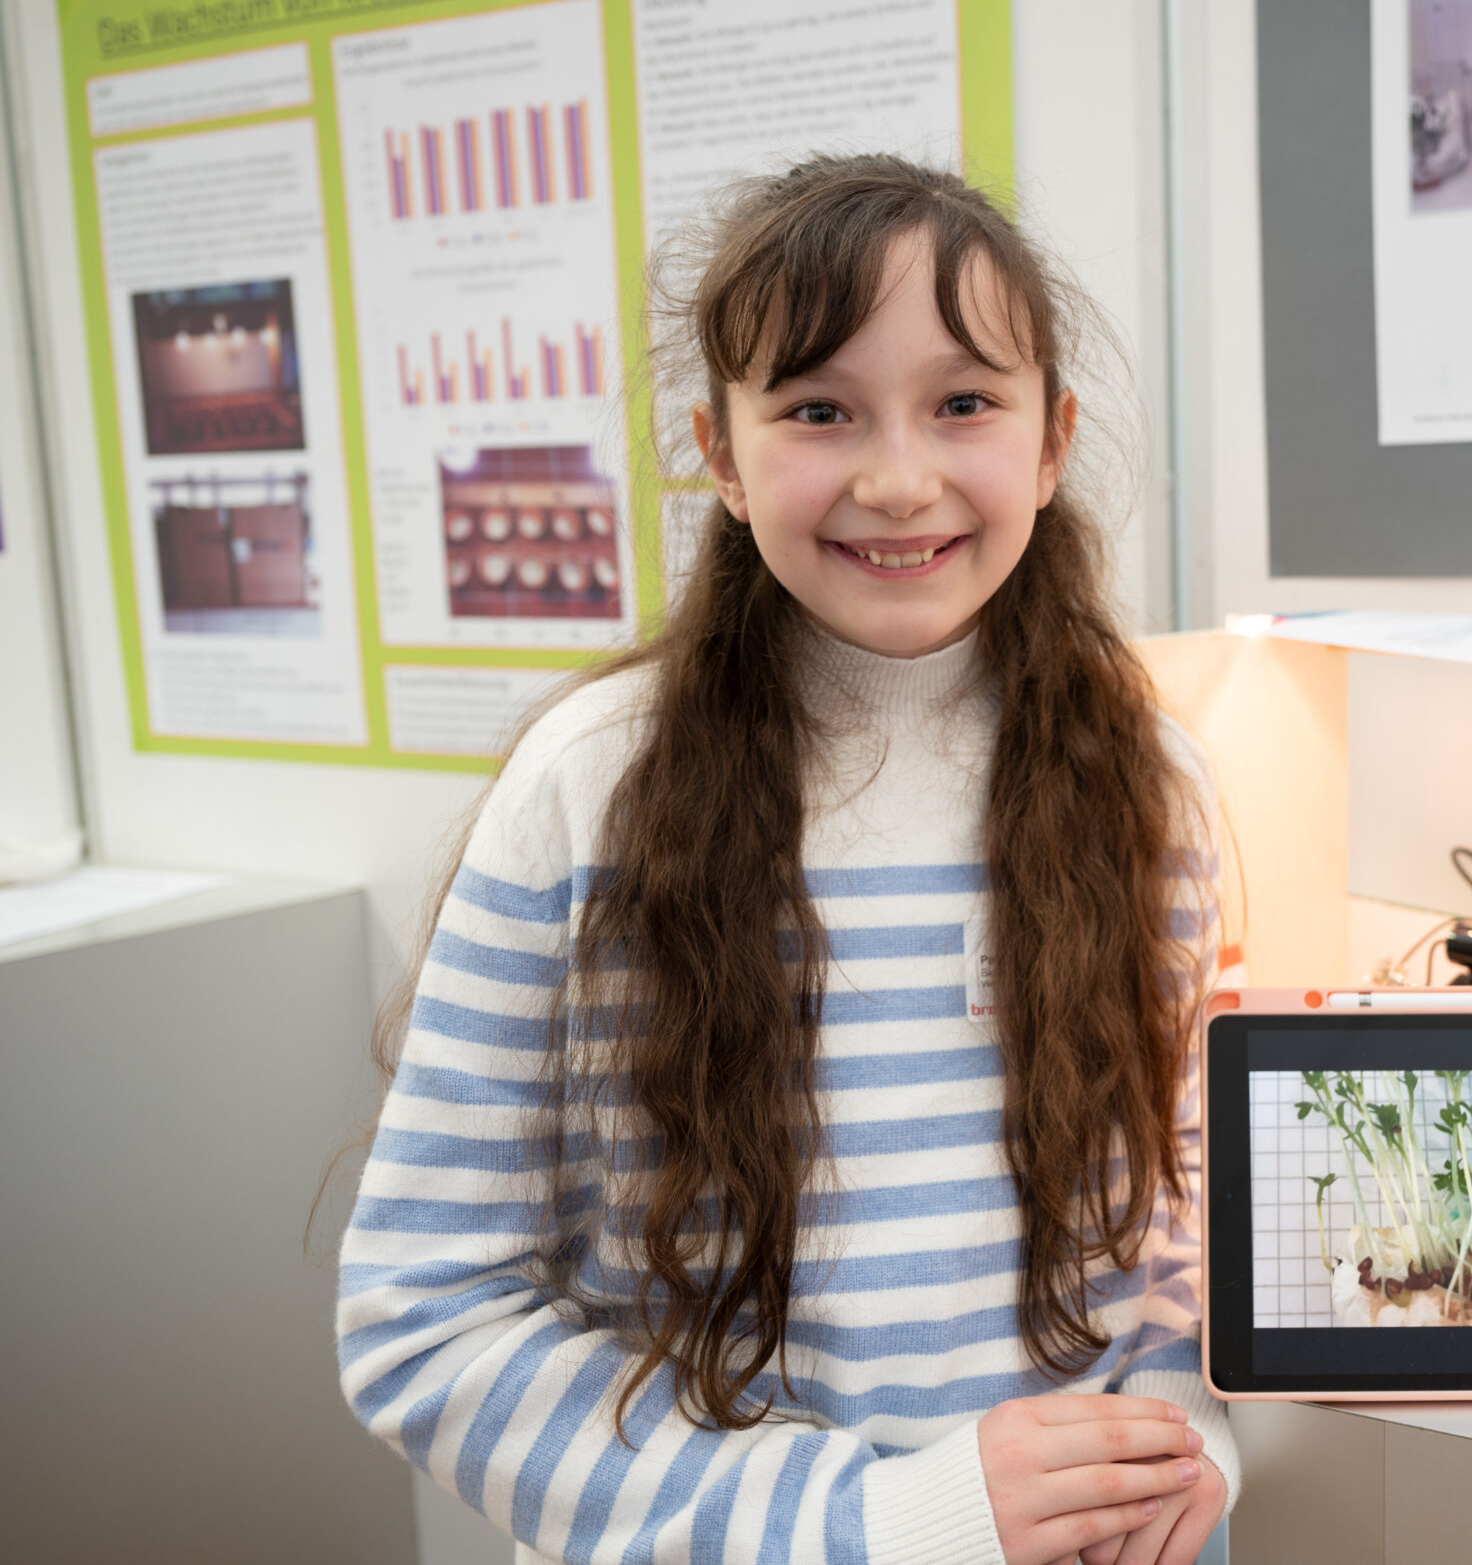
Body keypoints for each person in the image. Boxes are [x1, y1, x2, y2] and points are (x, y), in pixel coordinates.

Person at [337, 155, 1236, 1565]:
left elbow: (1182, 1239)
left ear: (1051, 441)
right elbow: (423, 1315)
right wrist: (889, 1521)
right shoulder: (595, 782)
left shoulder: (1153, 782)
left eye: (963, 403)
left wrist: (1190, 1447)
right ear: (721, 450)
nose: (897, 476)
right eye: (819, 409)